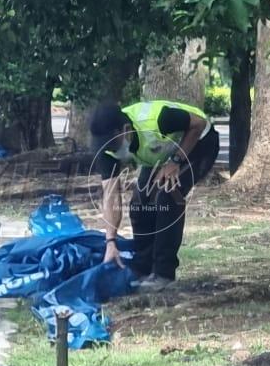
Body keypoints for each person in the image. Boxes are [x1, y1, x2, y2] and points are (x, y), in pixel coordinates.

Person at [90, 99, 220, 292]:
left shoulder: (159, 119)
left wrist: (176, 161)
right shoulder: (106, 149)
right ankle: (143, 267)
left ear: (125, 130)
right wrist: (111, 242)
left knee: (168, 195)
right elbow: (111, 196)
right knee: (139, 203)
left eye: (114, 144)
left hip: (199, 142)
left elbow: (198, 123)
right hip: (162, 155)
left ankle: (163, 273)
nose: (110, 149)